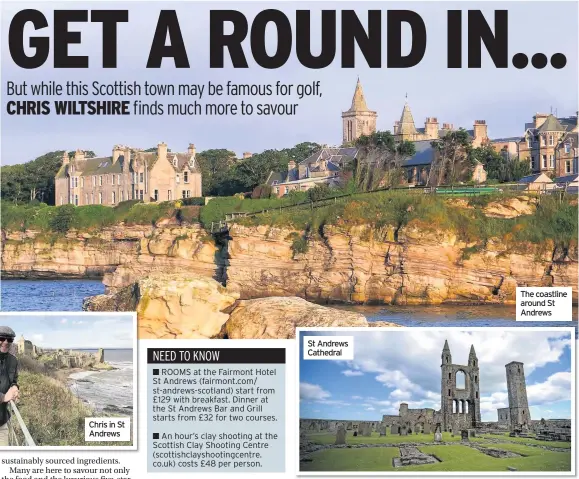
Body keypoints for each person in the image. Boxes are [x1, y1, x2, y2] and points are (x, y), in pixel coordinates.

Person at [0, 327, 19, 446]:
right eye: (1, 338)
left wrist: (15, 387)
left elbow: (14, 380)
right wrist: (3, 398)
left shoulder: (13, 361)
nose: (6, 342)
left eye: (10, 339)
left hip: (1, 421)